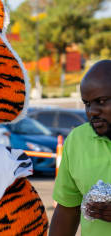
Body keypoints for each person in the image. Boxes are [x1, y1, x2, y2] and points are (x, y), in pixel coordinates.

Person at [50, 60, 111, 236]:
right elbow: (67, 209)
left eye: (101, 101)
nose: (92, 111)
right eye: (87, 103)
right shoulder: (78, 139)